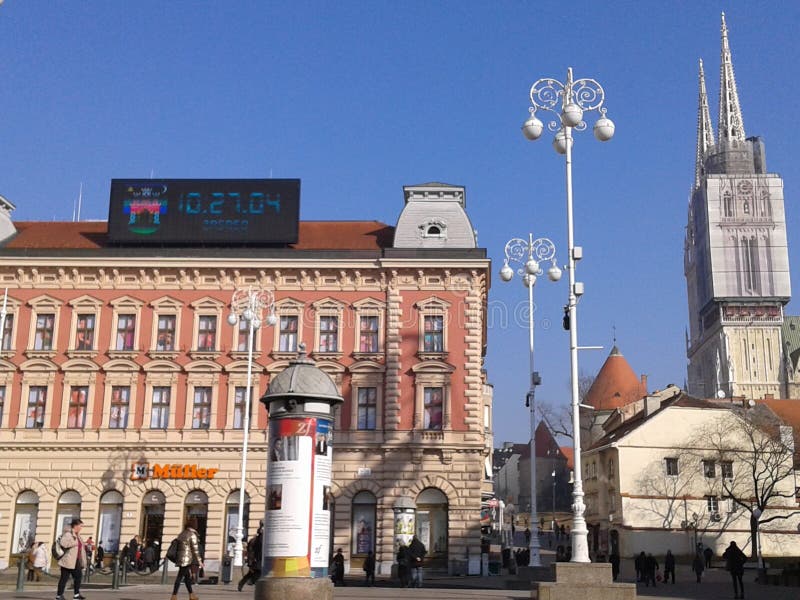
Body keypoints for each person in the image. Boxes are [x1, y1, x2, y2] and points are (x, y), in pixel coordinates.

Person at [171, 517, 203, 600]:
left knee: (187, 577)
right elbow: (195, 549)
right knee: (180, 576)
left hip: (180, 558)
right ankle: (174, 596)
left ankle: (191, 595)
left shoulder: (182, 533)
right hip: (187, 559)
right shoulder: (192, 535)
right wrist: (200, 561)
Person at [56, 517, 87, 600]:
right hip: (68, 560)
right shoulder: (68, 534)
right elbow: (63, 543)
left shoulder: (78, 536)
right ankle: (59, 595)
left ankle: (76, 594)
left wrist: (84, 561)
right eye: (80, 526)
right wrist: (74, 543)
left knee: (78, 576)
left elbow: (81, 549)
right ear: (75, 526)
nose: (81, 528)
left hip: (75, 560)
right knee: (64, 578)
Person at [237, 524, 263, 591]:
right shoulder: (259, 540)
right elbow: (252, 550)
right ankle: (252, 582)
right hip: (256, 559)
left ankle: (242, 583)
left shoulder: (255, 539)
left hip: (255, 559)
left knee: (251, 573)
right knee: (258, 572)